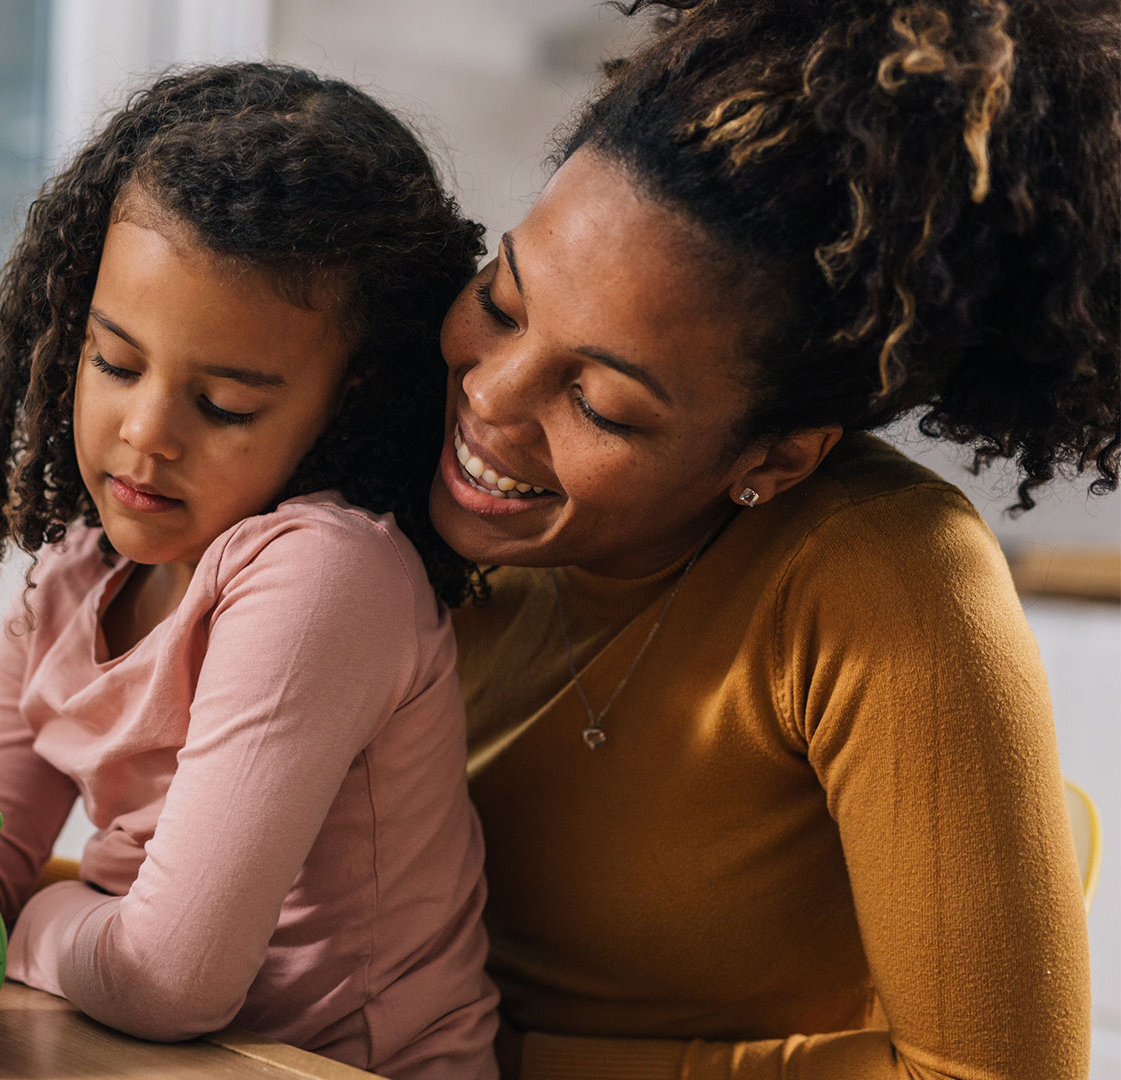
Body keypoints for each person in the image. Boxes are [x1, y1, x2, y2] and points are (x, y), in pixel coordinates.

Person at [0, 64, 500, 1079]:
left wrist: (43, 910)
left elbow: (169, 980)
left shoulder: (325, 577)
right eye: (116, 363)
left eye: (227, 407)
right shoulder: (79, 578)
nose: (147, 434)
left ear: (349, 403)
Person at [432, 1, 1115, 1077]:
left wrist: (512, 1061)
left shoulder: (883, 579)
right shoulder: (391, 462)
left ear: (774, 460)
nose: (488, 395)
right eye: (503, 300)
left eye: (603, 404)